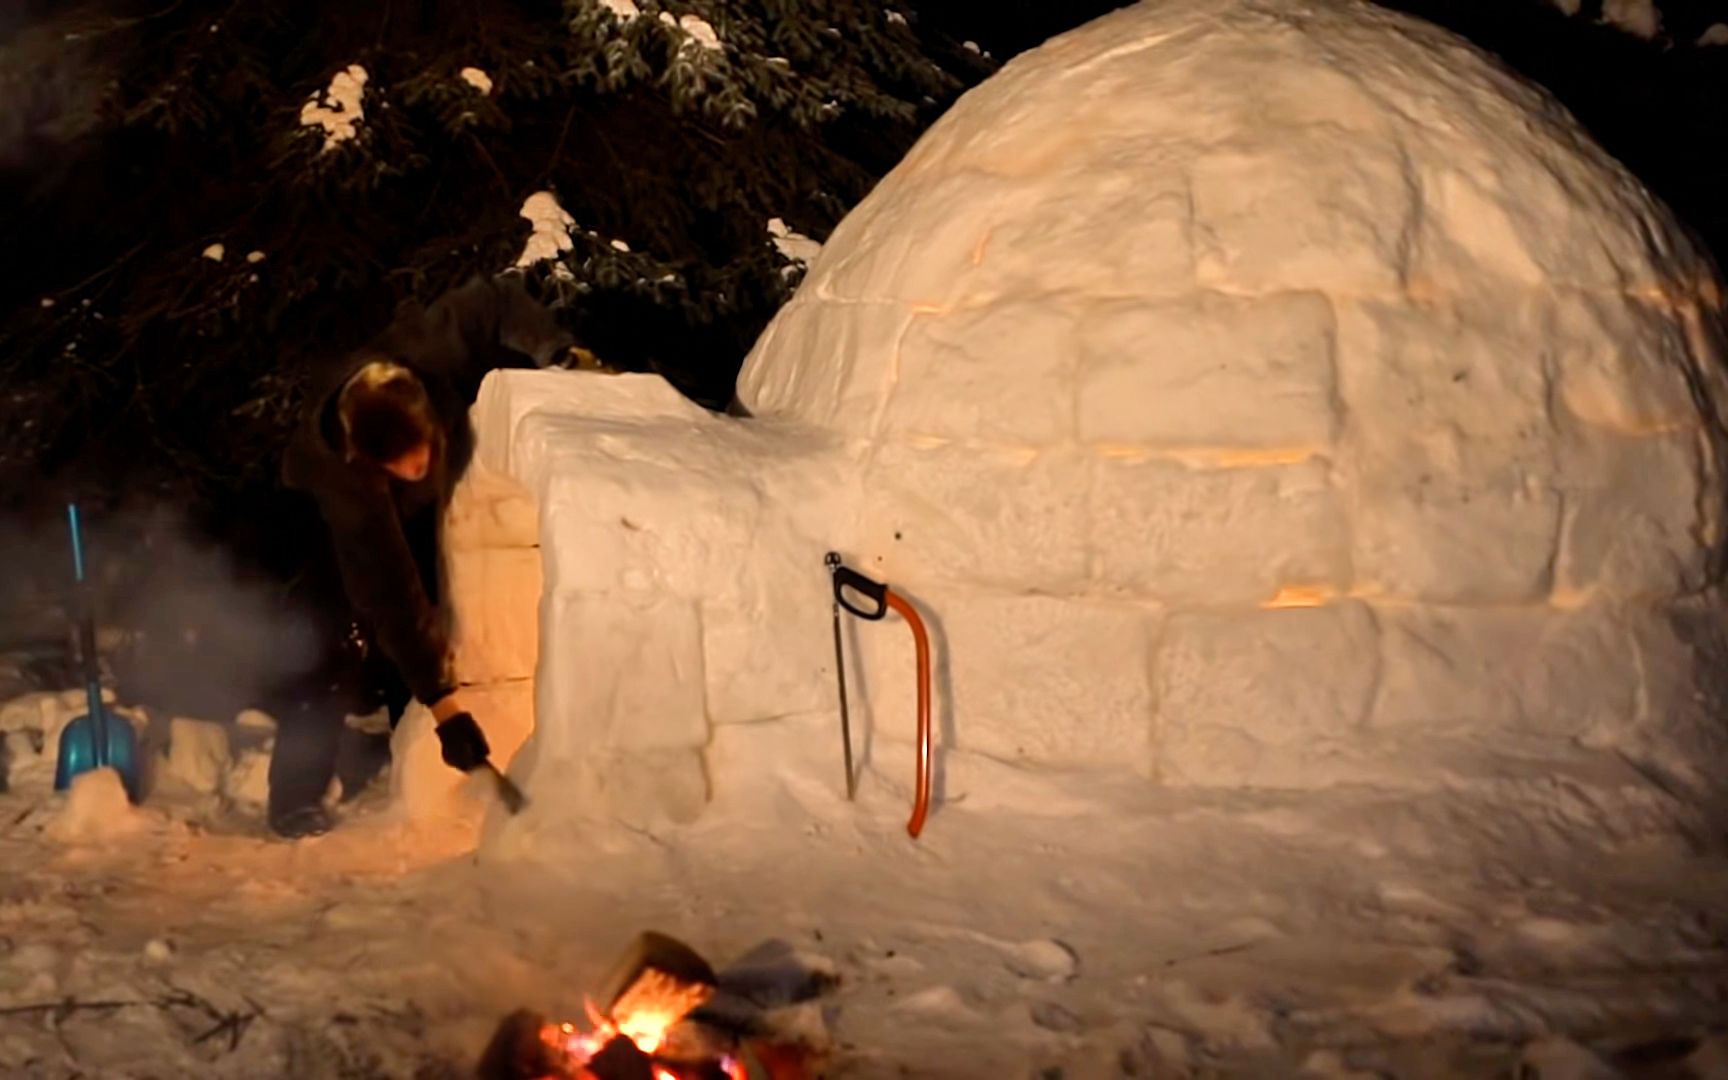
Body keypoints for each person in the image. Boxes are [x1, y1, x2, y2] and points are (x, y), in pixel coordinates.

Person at [271, 273, 575, 838]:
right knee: (336, 637)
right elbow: (388, 589)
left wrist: (555, 348)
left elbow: (495, 297)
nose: (417, 469)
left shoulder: (430, 350)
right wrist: (443, 707)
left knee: (436, 606)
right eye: (402, 467)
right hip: (311, 517)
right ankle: (293, 793)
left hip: (411, 509)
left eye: (421, 455)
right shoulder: (346, 484)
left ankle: (399, 733)